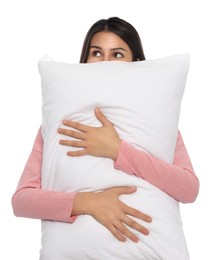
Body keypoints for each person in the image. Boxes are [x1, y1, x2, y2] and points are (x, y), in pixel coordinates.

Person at [12, 17, 199, 245]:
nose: (105, 62)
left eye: (118, 54)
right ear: (85, 60)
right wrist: (88, 202)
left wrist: (118, 150)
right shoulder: (60, 122)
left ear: (137, 63)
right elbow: (21, 201)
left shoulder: (155, 123)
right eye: (97, 53)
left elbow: (189, 190)